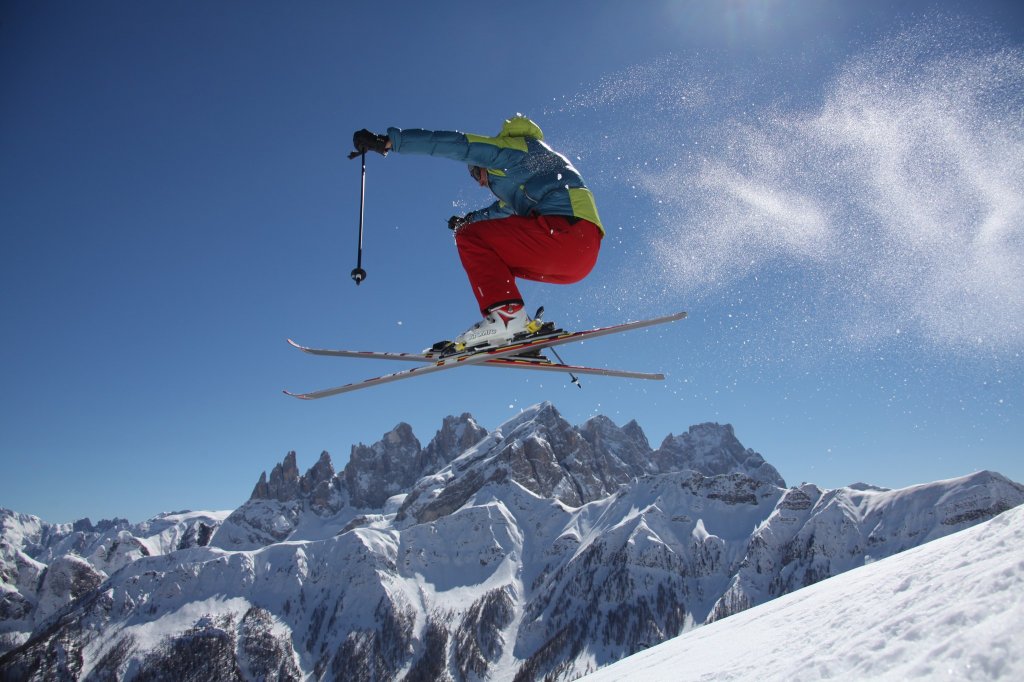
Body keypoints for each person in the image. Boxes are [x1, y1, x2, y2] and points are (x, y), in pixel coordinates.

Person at [352, 115, 604, 352]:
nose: (481, 183)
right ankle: (516, 324)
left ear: (483, 163)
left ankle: (507, 318)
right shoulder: (526, 181)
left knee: (469, 237)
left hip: (567, 232)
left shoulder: (509, 151)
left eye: (476, 173)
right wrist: (468, 219)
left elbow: (453, 143)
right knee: (482, 243)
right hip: (578, 260)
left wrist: (389, 142)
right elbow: (497, 212)